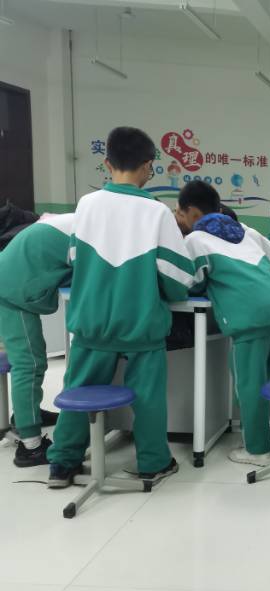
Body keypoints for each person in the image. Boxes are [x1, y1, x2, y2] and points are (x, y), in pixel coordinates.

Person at [47, 126, 192, 487]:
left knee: (77, 389)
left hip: (91, 323)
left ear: (107, 163)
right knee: (148, 398)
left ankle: (62, 463)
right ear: (148, 166)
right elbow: (177, 278)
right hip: (141, 325)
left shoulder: (86, 204)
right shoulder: (157, 212)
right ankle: (153, 462)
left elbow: (74, 257)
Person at [176, 181, 270, 467]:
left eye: (179, 212)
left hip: (249, 319)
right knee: (261, 383)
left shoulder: (195, 239)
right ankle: (255, 438)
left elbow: (191, 282)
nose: (178, 218)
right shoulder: (246, 231)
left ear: (192, 212)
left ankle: (258, 451)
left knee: (249, 386)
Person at [0, 213, 74, 465]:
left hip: (12, 280)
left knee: (32, 360)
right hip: (10, 290)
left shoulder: (81, 218)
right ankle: (30, 446)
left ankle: (26, 415)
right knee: (29, 363)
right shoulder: (91, 230)